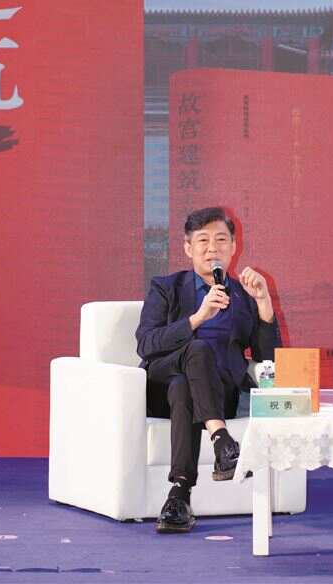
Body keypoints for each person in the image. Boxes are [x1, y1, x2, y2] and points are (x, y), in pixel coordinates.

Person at [135, 206, 280, 533]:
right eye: (203, 240)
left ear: (234, 247)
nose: (212, 248)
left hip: (217, 394)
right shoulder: (166, 288)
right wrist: (197, 318)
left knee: (184, 386)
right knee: (194, 354)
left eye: (221, 240)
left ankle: (179, 494)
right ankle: (221, 437)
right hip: (161, 389)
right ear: (188, 248)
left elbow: (269, 360)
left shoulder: (243, 295)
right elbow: (145, 344)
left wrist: (264, 302)